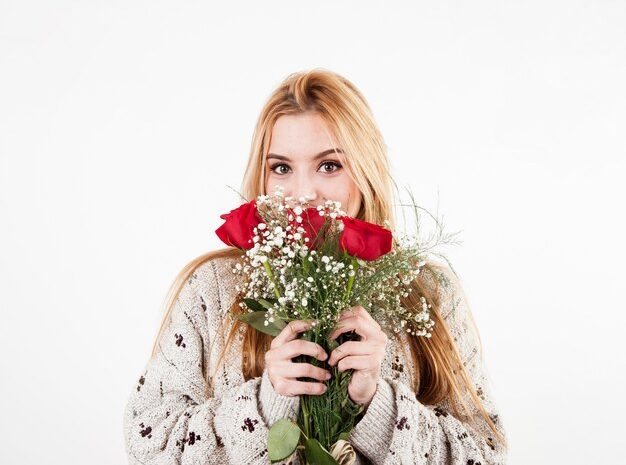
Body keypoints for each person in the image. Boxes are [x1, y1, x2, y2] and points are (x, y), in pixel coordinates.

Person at [123, 68, 508, 464]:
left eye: (329, 166)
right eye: (281, 168)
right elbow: (149, 445)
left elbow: (485, 454)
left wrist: (378, 405)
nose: (304, 194)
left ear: (366, 171)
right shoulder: (211, 288)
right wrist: (266, 403)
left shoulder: (427, 290)